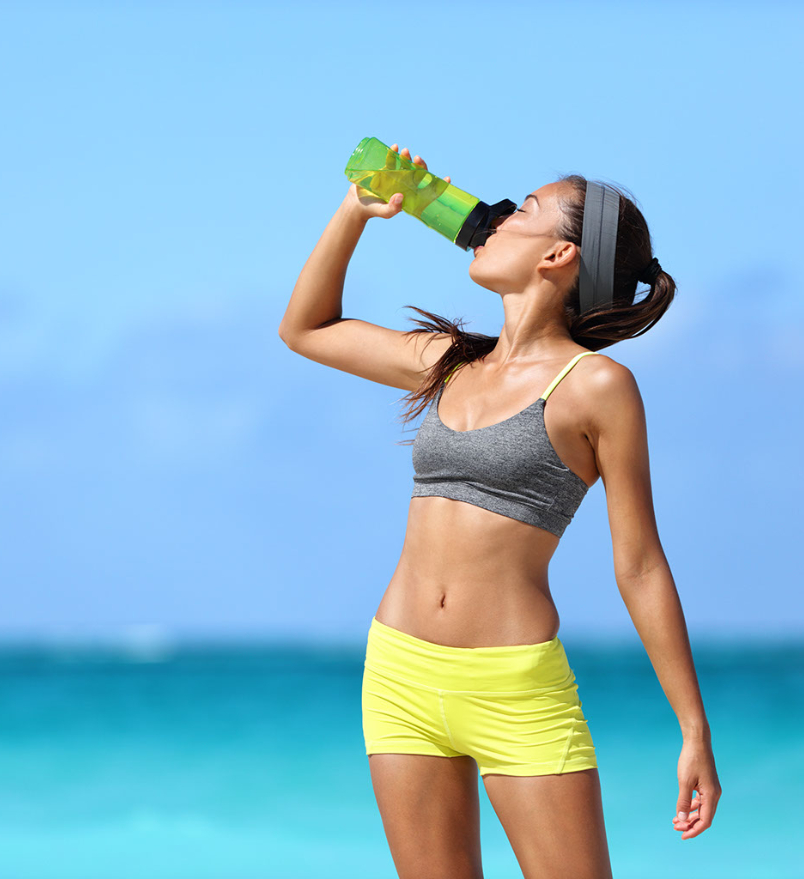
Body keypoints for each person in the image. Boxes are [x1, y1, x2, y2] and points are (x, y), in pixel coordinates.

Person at [278, 144, 720, 879]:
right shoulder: (448, 359)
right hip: (399, 673)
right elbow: (307, 330)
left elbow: (639, 563)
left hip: (513, 685)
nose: (495, 218)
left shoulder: (596, 386)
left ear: (559, 254)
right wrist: (355, 211)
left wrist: (693, 727)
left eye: (523, 210)